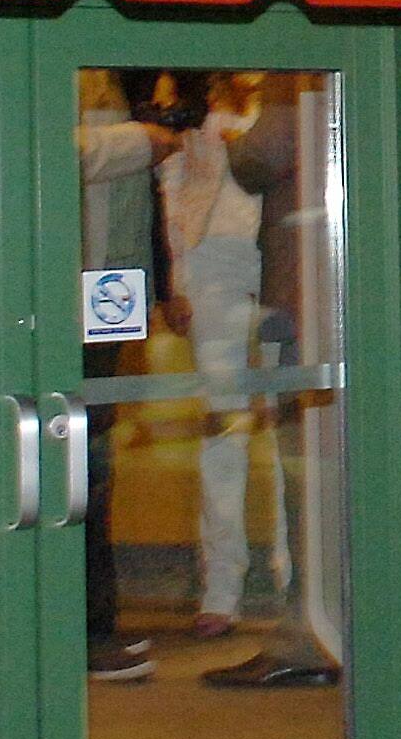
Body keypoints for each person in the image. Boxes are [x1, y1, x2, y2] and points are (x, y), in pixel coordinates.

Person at [206, 71, 346, 688]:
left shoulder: (300, 71)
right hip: (337, 299)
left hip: (307, 297)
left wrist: (233, 137)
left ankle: (309, 634)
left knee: (306, 473)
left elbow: (259, 158)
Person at [157, 72, 270, 639]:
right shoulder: (190, 96)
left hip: (282, 261)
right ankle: (222, 585)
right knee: (225, 430)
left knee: (299, 423)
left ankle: (293, 576)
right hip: (213, 268)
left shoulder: (290, 88)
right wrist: (176, 278)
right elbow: (172, 186)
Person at [77, 68, 178, 681]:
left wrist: (157, 288)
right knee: (77, 459)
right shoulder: (57, 68)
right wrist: (140, 141)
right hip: (69, 286)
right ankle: (81, 628)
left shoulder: (106, 78)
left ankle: (94, 621)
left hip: (109, 286)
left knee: (95, 456)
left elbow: (138, 208)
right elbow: (49, 153)